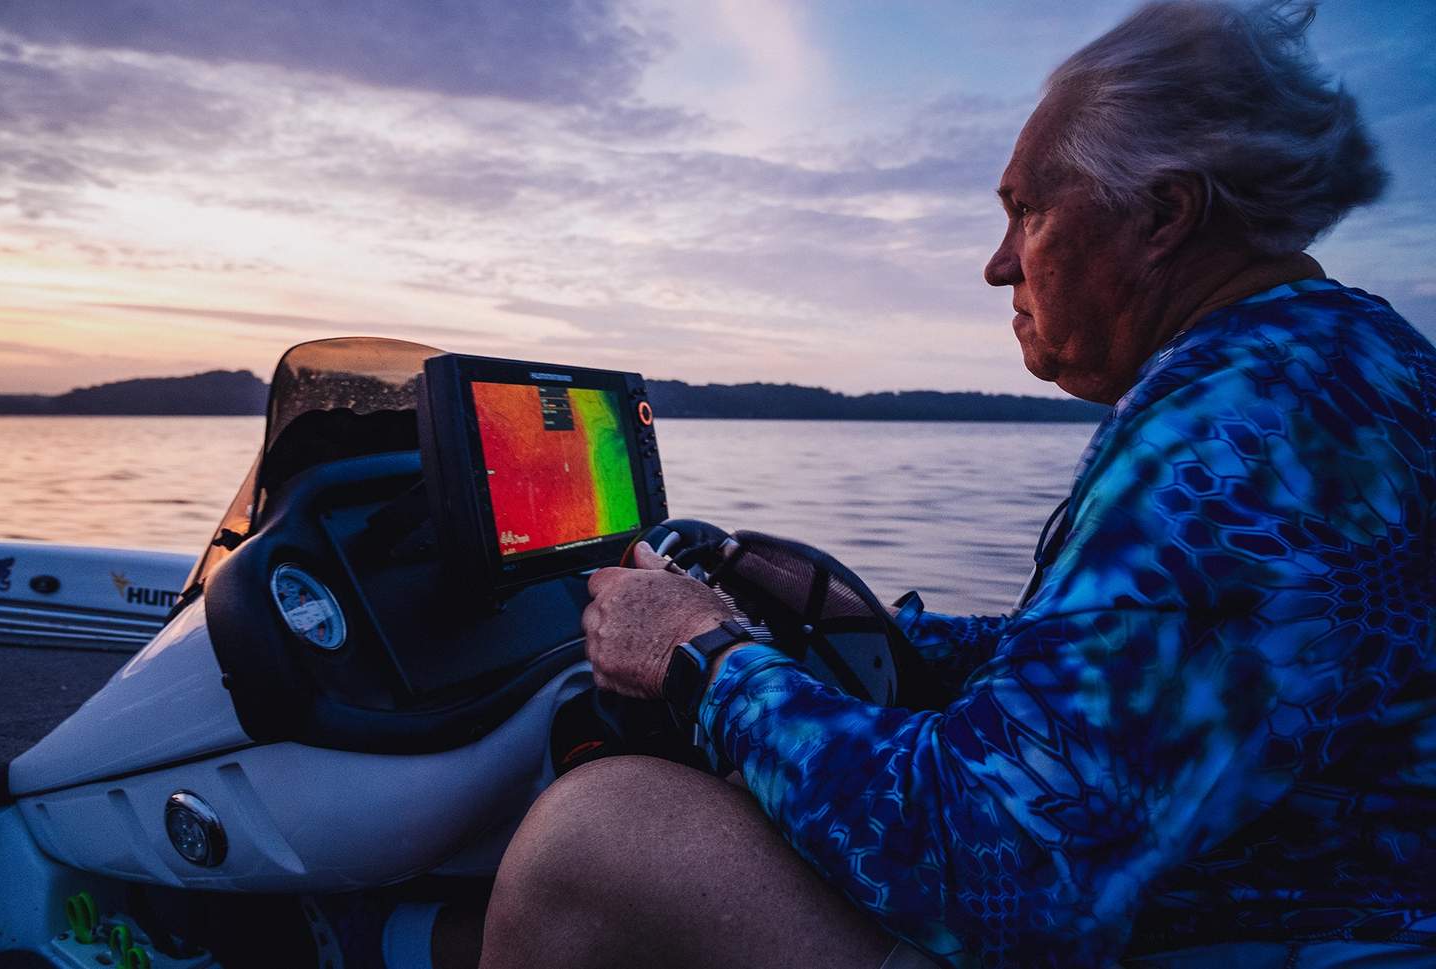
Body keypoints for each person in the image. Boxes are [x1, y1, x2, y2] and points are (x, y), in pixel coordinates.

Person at [412, 2, 1436, 967]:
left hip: (1236, 935)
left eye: (1026, 213)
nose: (997, 267)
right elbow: (1154, 662)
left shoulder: (1227, 442)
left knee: (599, 830)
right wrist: (863, 634)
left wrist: (701, 660)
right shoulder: (1352, 362)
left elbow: (994, 866)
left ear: (1163, 215)